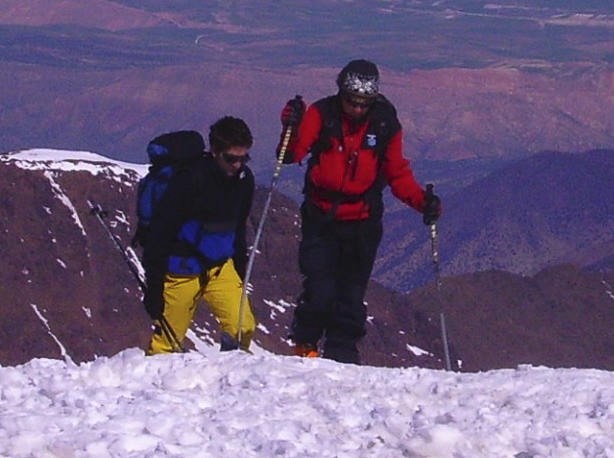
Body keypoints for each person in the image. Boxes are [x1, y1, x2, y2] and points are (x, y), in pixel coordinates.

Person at [279, 59, 442, 363]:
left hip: (363, 222)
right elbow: (291, 154)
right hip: (322, 218)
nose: (356, 108)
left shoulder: (384, 124)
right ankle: (305, 350)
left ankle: (342, 357)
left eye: (363, 103)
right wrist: (291, 127)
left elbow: (396, 172)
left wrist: (422, 201)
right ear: (340, 92)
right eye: (351, 101)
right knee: (320, 289)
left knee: (351, 296)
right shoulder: (321, 114)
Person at [142, 116, 259, 354]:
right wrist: (154, 287)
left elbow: (238, 228)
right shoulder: (189, 181)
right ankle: (154, 387)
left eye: (243, 158)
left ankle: (230, 376)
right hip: (181, 269)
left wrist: (239, 266)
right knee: (167, 343)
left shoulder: (244, 181)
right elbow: (160, 236)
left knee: (243, 327)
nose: (238, 165)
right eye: (231, 158)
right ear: (214, 151)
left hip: (220, 266)